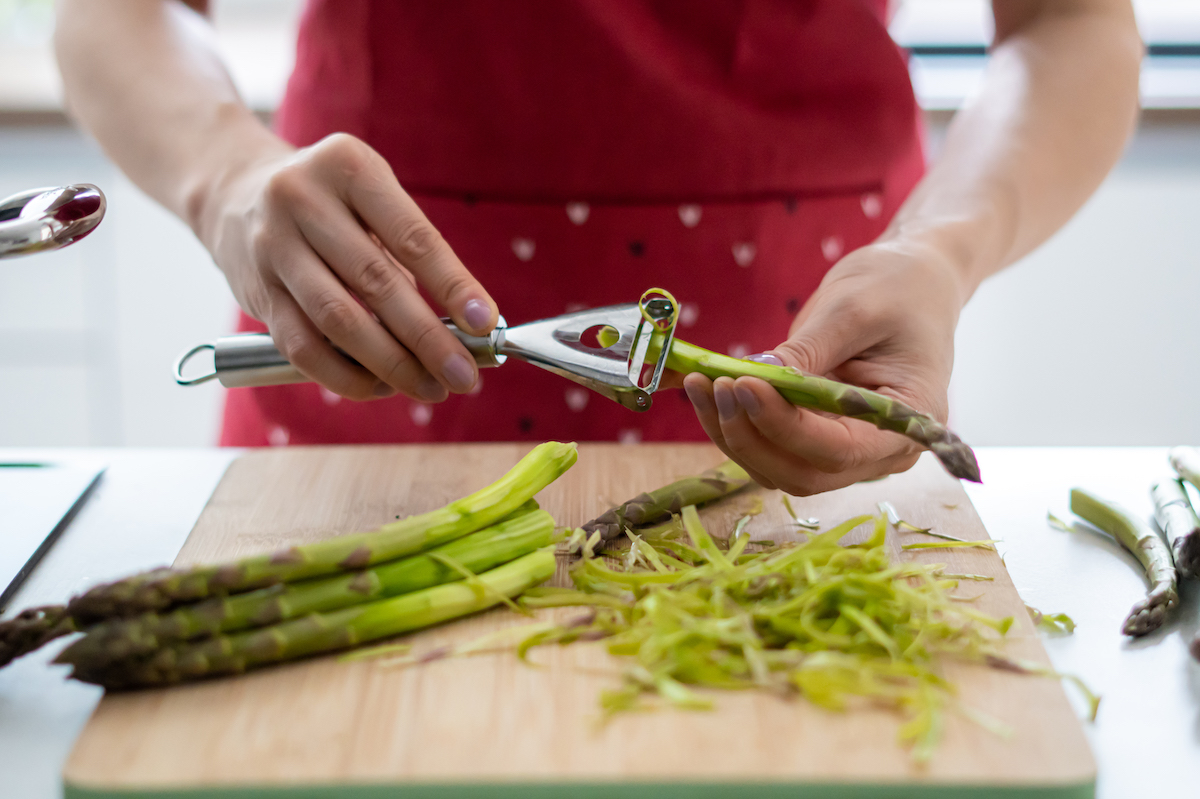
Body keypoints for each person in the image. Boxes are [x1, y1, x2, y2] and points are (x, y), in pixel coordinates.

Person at [55, 0, 1140, 494]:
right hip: (363, 342)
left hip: (814, 344)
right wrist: (224, 173)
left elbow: (1071, 21)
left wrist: (942, 253)